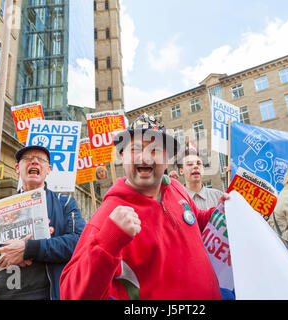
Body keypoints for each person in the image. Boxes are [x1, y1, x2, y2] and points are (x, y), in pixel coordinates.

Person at [59, 113, 229, 300]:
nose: (145, 157)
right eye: (136, 149)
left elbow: (196, 220)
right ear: (123, 156)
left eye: (155, 149)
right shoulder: (108, 215)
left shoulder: (175, 187)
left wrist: (220, 212)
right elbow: (71, 294)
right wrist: (109, 241)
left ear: (167, 159)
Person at [0, 145, 86, 300]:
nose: (34, 162)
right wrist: (3, 253)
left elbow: (79, 243)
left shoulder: (64, 203)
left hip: (44, 294)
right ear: (17, 168)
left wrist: (29, 249)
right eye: (27, 158)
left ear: (48, 169)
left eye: (40, 159)